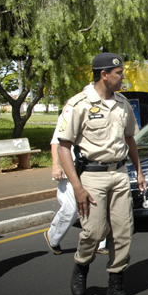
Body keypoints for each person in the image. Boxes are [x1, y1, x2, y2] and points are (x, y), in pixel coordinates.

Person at [58, 52, 147, 295]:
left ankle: (115, 286)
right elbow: (64, 147)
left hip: (119, 174)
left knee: (123, 232)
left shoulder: (123, 104)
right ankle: (81, 264)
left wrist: (138, 172)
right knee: (94, 232)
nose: (123, 77)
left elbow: (130, 139)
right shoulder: (79, 104)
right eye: (119, 73)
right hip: (91, 176)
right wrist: (77, 187)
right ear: (104, 75)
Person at [44, 86, 108, 256]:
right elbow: (56, 142)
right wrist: (56, 165)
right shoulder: (70, 111)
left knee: (97, 203)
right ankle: (53, 237)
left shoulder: (101, 112)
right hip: (70, 167)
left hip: (91, 168)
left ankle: (99, 242)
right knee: (71, 208)